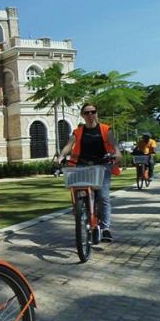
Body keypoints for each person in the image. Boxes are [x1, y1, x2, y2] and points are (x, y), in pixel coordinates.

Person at [55, 104, 120, 242]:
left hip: (103, 164)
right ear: (82, 115)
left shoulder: (105, 129)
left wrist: (117, 153)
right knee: (78, 192)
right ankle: (81, 213)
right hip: (82, 164)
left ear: (96, 113)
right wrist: (61, 156)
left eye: (93, 112)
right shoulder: (77, 132)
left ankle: (105, 228)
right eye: (86, 112)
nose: (90, 115)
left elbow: (114, 144)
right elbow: (68, 145)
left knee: (103, 196)